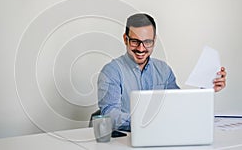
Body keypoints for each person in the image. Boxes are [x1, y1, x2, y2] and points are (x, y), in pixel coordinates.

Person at [97, 13, 227, 131]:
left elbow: (178, 104)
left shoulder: (164, 70)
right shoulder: (111, 71)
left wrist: (207, 88)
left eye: (147, 42)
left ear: (154, 41)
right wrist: (149, 121)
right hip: (127, 139)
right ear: (126, 39)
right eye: (135, 41)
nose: (141, 48)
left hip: (162, 135)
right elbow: (110, 114)